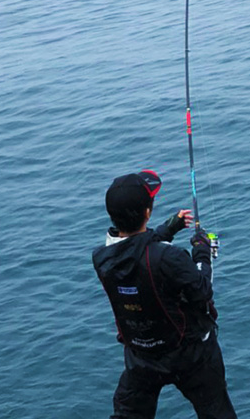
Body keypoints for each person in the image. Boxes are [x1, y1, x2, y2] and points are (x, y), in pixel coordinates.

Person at [92, 169, 237, 419]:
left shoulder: (102, 258)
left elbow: (132, 250)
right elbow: (202, 290)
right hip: (190, 354)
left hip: (142, 356)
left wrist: (168, 228)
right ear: (147, 212)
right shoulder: (170, 257)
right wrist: (202, 252)